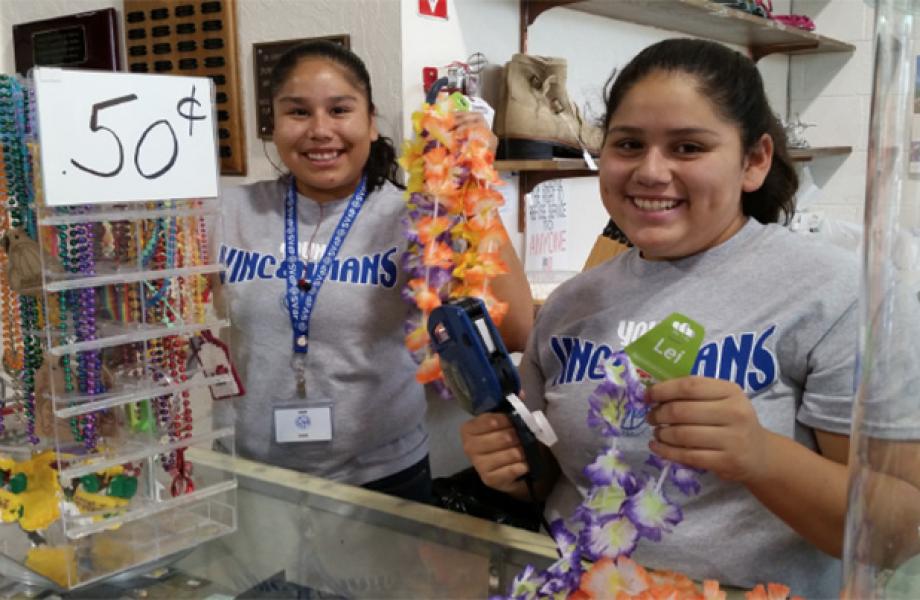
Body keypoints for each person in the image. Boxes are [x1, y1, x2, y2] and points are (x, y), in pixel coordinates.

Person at [460, 38, 856, 598]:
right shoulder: (575, 302)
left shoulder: (833, 291)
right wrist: (512, 466)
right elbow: (556, 474)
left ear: (755, 161)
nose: (650, 171)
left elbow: (896, 525)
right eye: (628, 144)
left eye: (688, 147)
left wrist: (762, 456)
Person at [219, 40, 532, 504]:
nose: (320, 130)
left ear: (370, 120)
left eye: (340, 110)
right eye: (298, 112)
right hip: (254, 476)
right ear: (273, 124)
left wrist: (475, 183)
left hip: (382, 482)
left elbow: (515, 329)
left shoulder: (418, 216)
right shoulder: (231, 212)